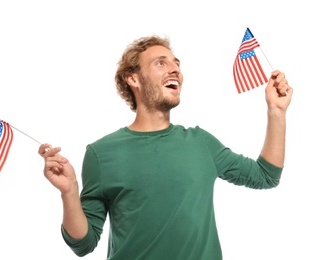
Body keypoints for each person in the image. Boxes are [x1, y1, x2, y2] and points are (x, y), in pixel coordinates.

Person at [38, 35, 293, 260]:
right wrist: (70, 192)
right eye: (161, 63)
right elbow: (84, 244)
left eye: (177, 64)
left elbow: (266, 176)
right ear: (133, 79)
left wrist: (276, 112)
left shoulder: (201, 143)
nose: (175, 70)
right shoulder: (101, 154)